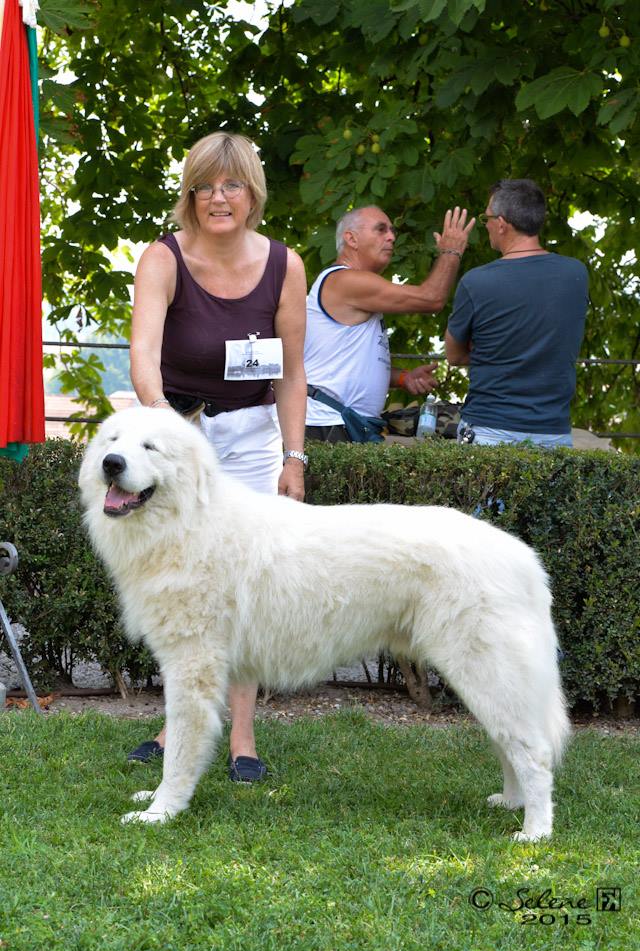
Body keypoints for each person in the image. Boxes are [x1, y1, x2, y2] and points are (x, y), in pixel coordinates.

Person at [127, 131, 307, 782]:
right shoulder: (163, 258)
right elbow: (144, 356)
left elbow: (291, 372)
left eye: (230, 184)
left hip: (253, 437)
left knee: (243, 586)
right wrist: (168, 429)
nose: (217, 197)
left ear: (252, 193)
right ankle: (177, 722)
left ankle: (242, 736)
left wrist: (295, 457)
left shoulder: (285, 265)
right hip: (178, 435)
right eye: (203, 186)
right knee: (182, 585)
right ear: (190, 196)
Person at [304, 205, 475, 441]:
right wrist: (451, 251)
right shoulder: (346, 280)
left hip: (341, 424)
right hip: (327, 424)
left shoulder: (354, 286)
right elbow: (431, 298)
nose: (391, 237)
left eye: (392, 230)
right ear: (351, 239)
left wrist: (404, 378)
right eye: (380, 229)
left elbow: (349, 365)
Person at [445, 179, 588, 447]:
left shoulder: (477, 282)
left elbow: (454, 355)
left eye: (486, 218)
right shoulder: (576, 274)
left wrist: (493, 351)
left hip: (488, 430)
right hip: (553, 433)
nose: (485, 224)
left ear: (501, 224)